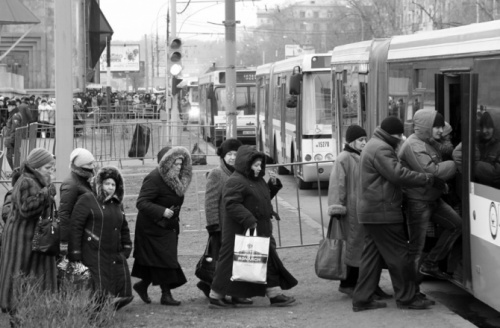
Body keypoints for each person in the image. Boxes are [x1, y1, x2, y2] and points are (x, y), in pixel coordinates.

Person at [352, 116, 442, 312]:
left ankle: (362, 298)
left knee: (371, 256)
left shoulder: (374, 145)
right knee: (400, 256)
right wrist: (427, 178)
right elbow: (398, 174)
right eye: (399, 135)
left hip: (371, 211)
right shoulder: (381, 148)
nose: (401, 138)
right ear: (391, 134)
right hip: (382, 211)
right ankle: (407, 298)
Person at [209, 145, 298, 308]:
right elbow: (231, 203)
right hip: (241, 230)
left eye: (260, 165)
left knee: (268, 261)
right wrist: (249, 220)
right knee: (229, 264)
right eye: (256, 165)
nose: (259, 168)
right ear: (246, 164)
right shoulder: (236, 180)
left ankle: (274, 294)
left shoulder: (255, 180)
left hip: (258, 228)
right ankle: (216, 296)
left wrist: (272, 185)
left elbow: (261, 199)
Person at [327, 125, 392, 300]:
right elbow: (337, 183)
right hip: (351, 212)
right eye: (360, 140)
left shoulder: (360, 156)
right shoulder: (344, 158)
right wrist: (337, 207)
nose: (364, 142)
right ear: (351, 141)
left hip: (363, 210)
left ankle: (365, 284)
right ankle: (350, 284)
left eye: (365, 139)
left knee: (363, 250)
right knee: (354, 250)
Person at [398, 110, 461, 286]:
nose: (441, 130)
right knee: (416, 247)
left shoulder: (427, 142)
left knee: (456, 226)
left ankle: (430, 263)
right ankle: (410, 291)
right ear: (427, 127)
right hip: (418, 202)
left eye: (441, 126)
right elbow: (432, 172)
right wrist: (456, 163)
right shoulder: (414, 145)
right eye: (437, 127)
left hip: (432, 199)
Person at [132, 146, 192, 306]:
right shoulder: (154, 178)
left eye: (180, 164)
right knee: (166, 260)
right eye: (175, 164)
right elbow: (142, 202)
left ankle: (142, 285)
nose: (179, 167)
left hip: (168, 226)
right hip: (152, 227)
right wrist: (162, 211)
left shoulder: (176, 179)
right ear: (166, 163)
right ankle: (166, 295)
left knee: (161, 260)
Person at [68, 166, 134, 310]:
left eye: (113, 184)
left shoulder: (117, 204)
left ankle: (105, 308)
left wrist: (127, 246)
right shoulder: (87, 199)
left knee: (122, 288)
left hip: (114, 251)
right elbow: (76, 226)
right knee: (98, 286)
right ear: (99, 184)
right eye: (107, 183)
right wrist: (75, 253)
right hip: (93, 251)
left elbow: (123, 226)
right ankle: (96, 312)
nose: (110, 187)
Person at [0, 148, 57, 312]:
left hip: (32, 239)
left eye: (52, 167)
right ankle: (20, 314)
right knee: (23, 280)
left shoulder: (35, 180)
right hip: (23, 242)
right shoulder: (26, 181)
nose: (51, 171)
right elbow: (27, 208)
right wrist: (47, 194)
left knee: (29, 281)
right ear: (37, 167)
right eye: (48, 167)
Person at [196, 139, 248, 302]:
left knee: (238, 260)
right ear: (223, 156)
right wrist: (213, 226)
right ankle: (216, 288)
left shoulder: (242, 173)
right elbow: (210, 201)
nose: (232, 157)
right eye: (229, 154)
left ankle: (235, 292)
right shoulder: (217, 174)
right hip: (222, 227)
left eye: (235, 154)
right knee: (222, 262)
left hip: (239, 225)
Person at [59, 148, 96, 256]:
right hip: (78, 234)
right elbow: (64, 214)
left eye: (93, 163)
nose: (93, 167)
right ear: (80, 165)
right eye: (89, 164)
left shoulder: (86, 180)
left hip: (87, 232)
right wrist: (64, 242)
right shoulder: (71, 184)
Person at [3, 100, 23, 170]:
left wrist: (11, 140)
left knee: (10, 156)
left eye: (9, 106)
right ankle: (15, 171)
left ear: (13, 106)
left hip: (12, 139)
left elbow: (15, 129)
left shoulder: (15, 116)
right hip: (10, 139)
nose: (8, 108)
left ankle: (16, 171)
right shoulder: (12, 114)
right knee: (11, 156)